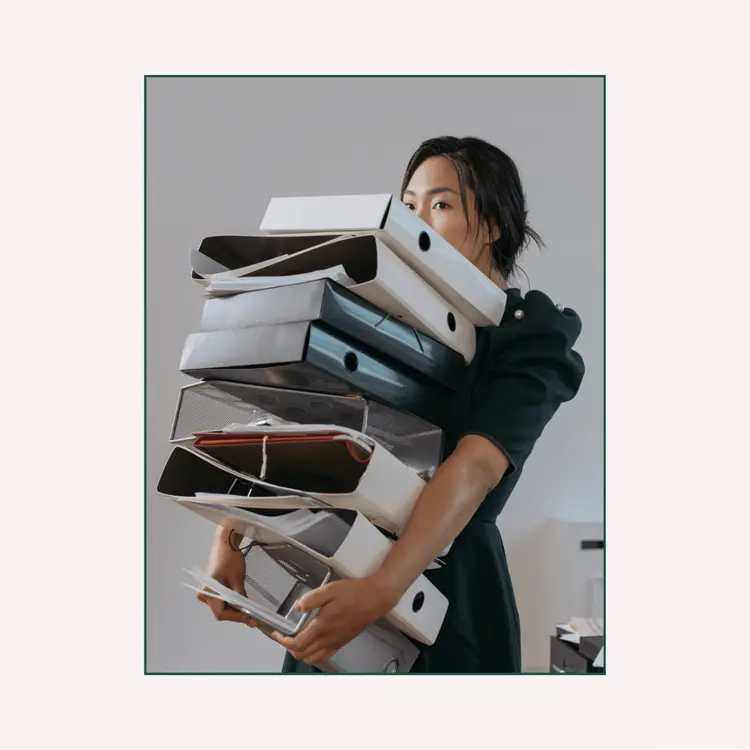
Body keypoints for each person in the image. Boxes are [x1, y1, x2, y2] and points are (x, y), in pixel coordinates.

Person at [197, 135, 586, 673]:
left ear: (494, 224)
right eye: (408, 206)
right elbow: (296, 421)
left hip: (446, 592)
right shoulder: (379, 312)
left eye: (442, 205)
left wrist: (382, 588)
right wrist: (231, 535)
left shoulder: (529, 337)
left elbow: (473, 468)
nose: (417, 222)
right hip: (341, 572)